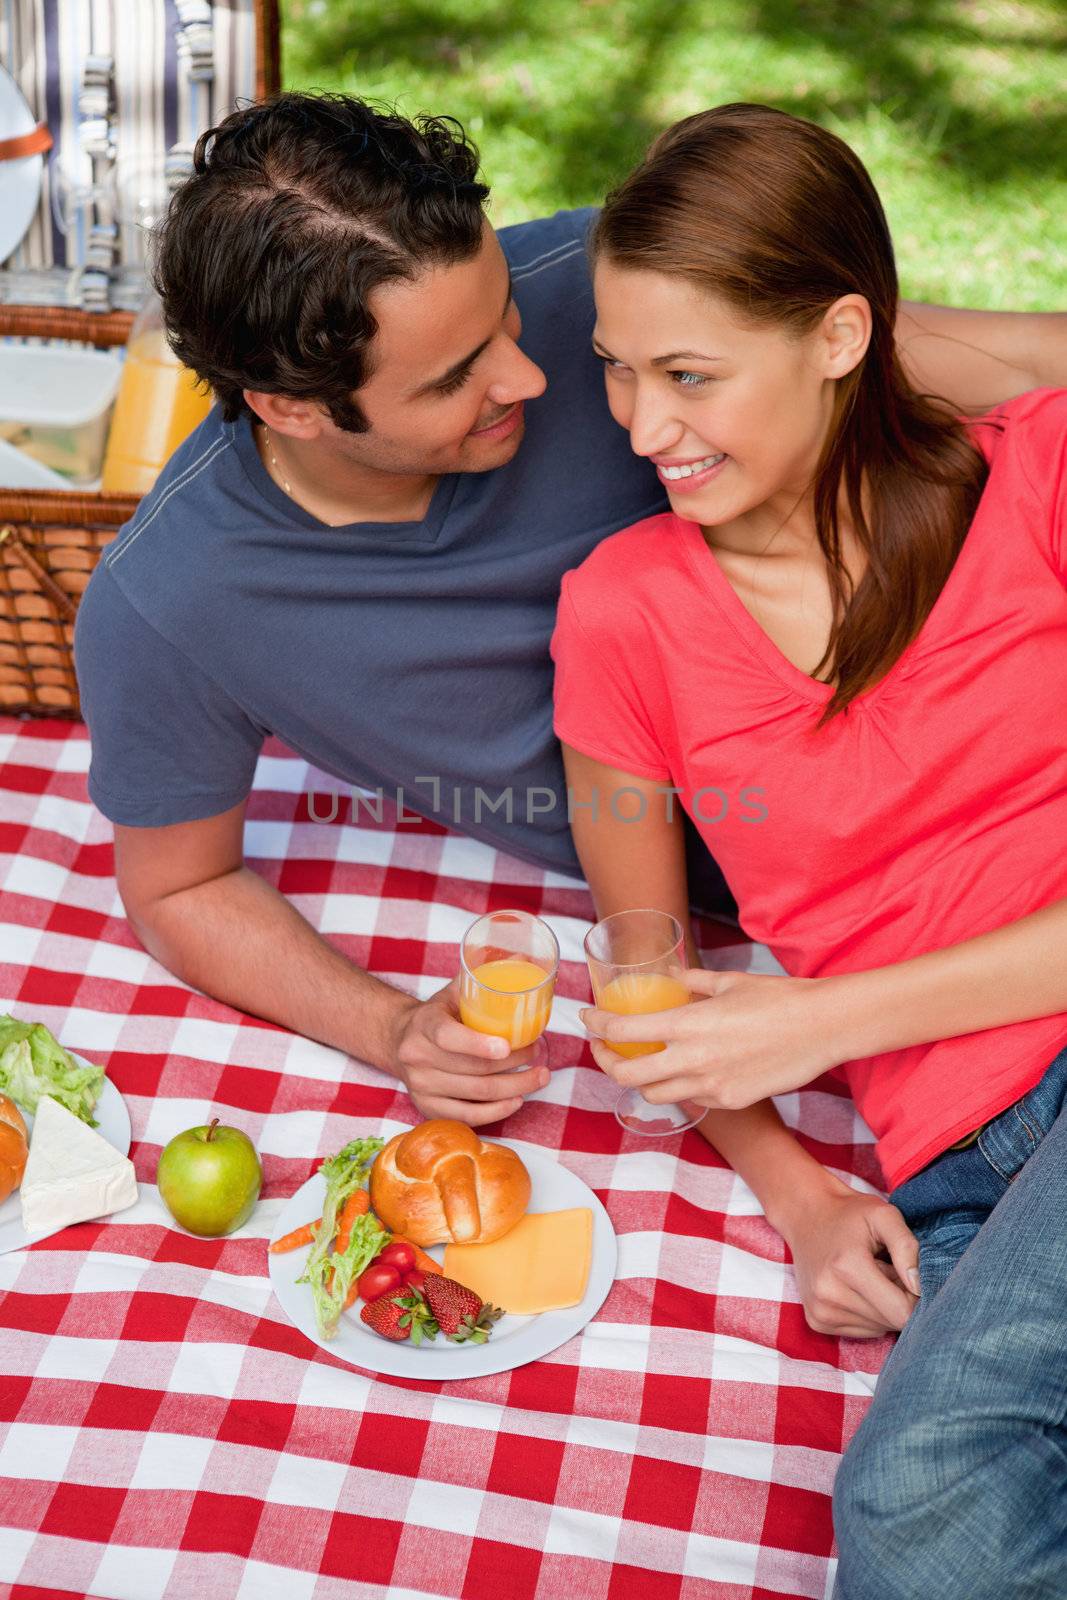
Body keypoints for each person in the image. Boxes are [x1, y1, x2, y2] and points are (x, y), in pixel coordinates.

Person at [75, 93, 1067, 1138]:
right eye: (458, 377)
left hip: (956, 863)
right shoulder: (166, 603)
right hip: (778, 936)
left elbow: (917, 365)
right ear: (294, 410)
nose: (533, 374)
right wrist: (391, 1027)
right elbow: (180, 886)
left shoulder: (613, 308)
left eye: (504, 312)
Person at [550, 101, 1067, 1595]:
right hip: (957, 1175)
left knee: (911, 1494)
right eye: (616, 371)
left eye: (689, 375)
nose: (643, 427)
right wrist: (798, 1193)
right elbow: (647, 985)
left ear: (841, 336)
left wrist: (821, 1021)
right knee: (943, 1547)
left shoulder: (1032, 485)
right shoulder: (620, 614)